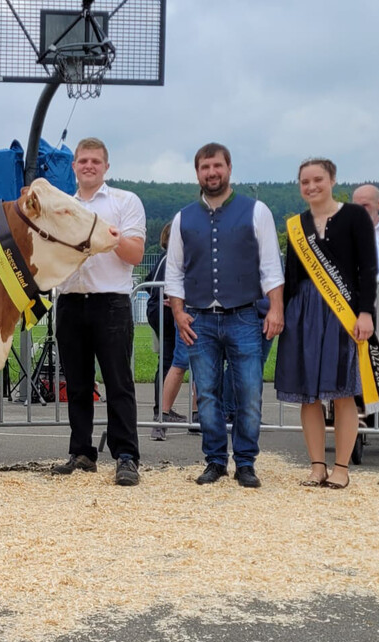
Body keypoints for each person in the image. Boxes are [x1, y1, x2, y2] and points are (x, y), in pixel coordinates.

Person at [165, 143, 284, 488]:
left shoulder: (256, 211)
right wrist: (177, 311)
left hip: (244, 316)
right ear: (197, 172)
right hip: (199, 318)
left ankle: (245, 462)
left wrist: (275, 308)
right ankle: (215, 460)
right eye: (205, 167)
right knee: (207, 394)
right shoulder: (183, 218)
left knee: (248, 392)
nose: (211, 173)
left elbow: (271, 267)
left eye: (217, 166)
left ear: (229, 168)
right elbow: (174, 272)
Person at [275, 158, 379, 489]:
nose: (311, 186)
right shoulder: (296, 225)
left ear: (332, 179)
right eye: (304, 181)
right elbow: (291, 276)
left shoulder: (354, 217)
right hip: (303, 314)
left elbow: (368, 268)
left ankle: (342, 468)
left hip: (342, 313)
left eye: (318, 179)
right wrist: (282, 313)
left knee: (343, 393)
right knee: (308, 395)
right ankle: (316, 466)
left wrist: (365, 312)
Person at [52, 137, 146, 486]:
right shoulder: (62, 204)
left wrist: (107, 235)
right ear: (74, 166)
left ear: (106, 167)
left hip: (111, 302)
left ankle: (126, 456)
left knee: (119, 383)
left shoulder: (125, 201)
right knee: (77, 385)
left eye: (95, 161)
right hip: (72, 301)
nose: (88, 166)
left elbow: (136, 254)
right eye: (82, 161)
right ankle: (81, 452)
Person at [143, 222, 189, 440]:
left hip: (158, 308)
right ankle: (161, 412)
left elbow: (147, 280)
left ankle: (162, 410)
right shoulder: (172, 258)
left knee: (169, 359)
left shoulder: (165, 258)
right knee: (170, 360)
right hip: (164, 310)